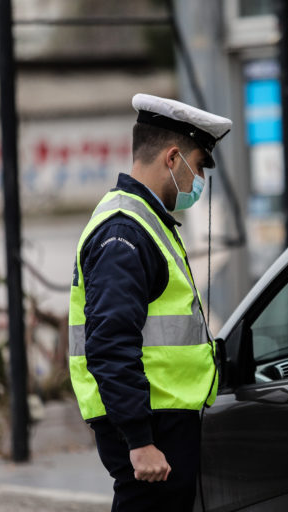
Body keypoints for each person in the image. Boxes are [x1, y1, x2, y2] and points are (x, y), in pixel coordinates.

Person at [68, 93, 231, 511]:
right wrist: (140, 442)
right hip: (150, 423)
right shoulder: (125, 233)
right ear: (172, 158)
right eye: (198, 166)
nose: (198, 181)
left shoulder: (143, 222)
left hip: (159, 416)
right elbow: (109, 345)